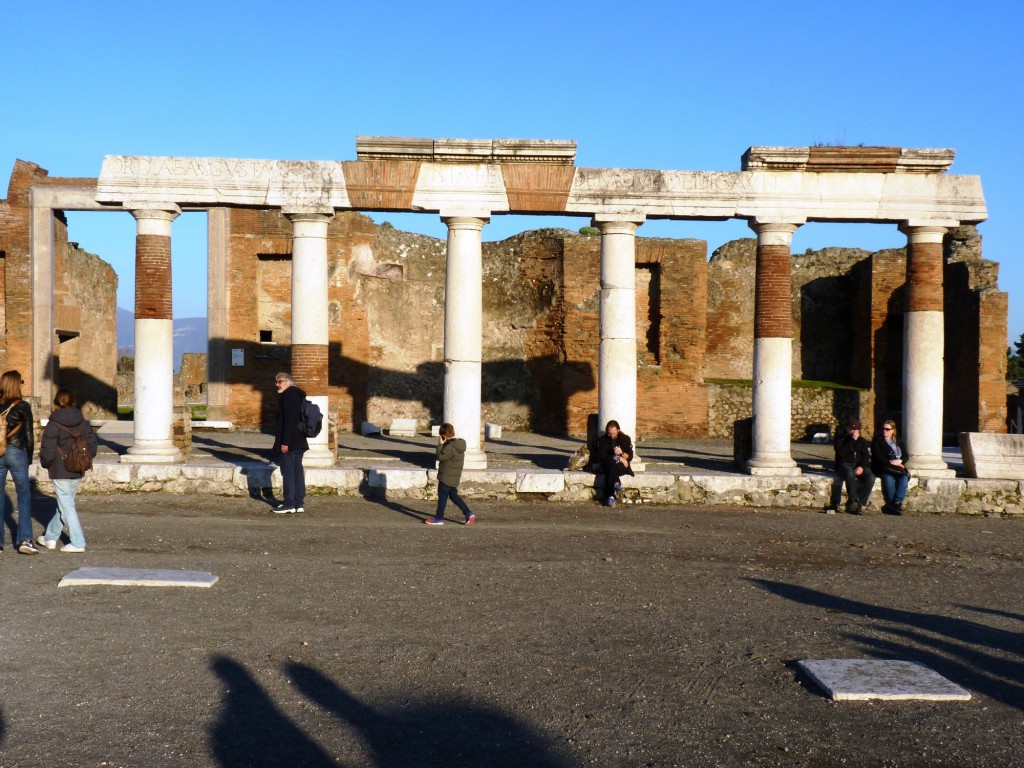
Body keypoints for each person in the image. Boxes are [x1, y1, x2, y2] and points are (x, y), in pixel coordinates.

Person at [37, 388, 98, 552]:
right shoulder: (83, 422)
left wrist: (46, 464)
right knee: (64, 505)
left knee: (67, 506)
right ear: (73, 401)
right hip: (78, 468)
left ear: (56, 402)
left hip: (59, 469)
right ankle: (50, 537)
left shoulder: (53, 424)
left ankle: (78, 542)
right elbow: (92, 446)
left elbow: (47, 450)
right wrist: (83, 460)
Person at [0, 370, 37, 554]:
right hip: (16, 450)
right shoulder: (23, 406)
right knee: (23, 495)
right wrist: (28, 458)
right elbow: (29, 435)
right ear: (17, 384)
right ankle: (24, 539)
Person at [424, 423, 476, 526]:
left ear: (443, 436)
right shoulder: (460, 444)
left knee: (442, 499)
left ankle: (439, 518)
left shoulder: (449, 446)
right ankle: (468, 513)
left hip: (446, 476)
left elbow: (440, 457)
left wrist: (440, 444)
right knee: (454, 496)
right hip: (454, 477)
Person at [272, 372, 308, 514]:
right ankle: (299, 503)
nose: (277, 384)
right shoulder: (298, 395)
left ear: (288, 382)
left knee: (288, 472)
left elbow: (290, 421)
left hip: (290, 441)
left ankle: (289, 504)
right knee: (297, 471)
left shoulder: (289, 395)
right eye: (276, 382)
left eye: (279, 381)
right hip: (299, 440)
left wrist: (285, 442)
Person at [827, 418, 875, 514]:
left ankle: (860, 503)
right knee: (850, 473)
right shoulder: (840, 439)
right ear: (847, 429)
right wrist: (852, 441)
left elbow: (865, 456)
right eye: (852, 429)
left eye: (856, 429)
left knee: (871, 477)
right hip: (844, 463)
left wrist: (861, 466)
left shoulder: (862, 441)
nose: (854, 432)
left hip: (858, 464)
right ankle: (854, 500)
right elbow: (841, 453)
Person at [872, 419, 910, 515]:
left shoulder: (899, 441)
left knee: (904, 477)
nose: (884, 431)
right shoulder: (878, 440)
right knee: (888, 478)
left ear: (893, 430)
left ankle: (897, 503)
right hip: (884, 467)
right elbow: (878, 456)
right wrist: (892, 463)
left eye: (887, 429)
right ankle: (892, 504)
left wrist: (900, 461)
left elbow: (905, 456)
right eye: (883, 429)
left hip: (897, 467)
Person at [596, 420, 634, 507]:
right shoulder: (603, 440)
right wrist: (619, 458)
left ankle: (611, 497)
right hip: (607, 465)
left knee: (611, 469)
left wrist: (622, 453)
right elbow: (602, 457)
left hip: (620, 467)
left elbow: (629, 457)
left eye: (614, 433)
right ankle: (616, 483)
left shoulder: (625, 439)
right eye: (609, 433)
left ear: (618, 430)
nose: (612, 436)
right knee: (610, 463)